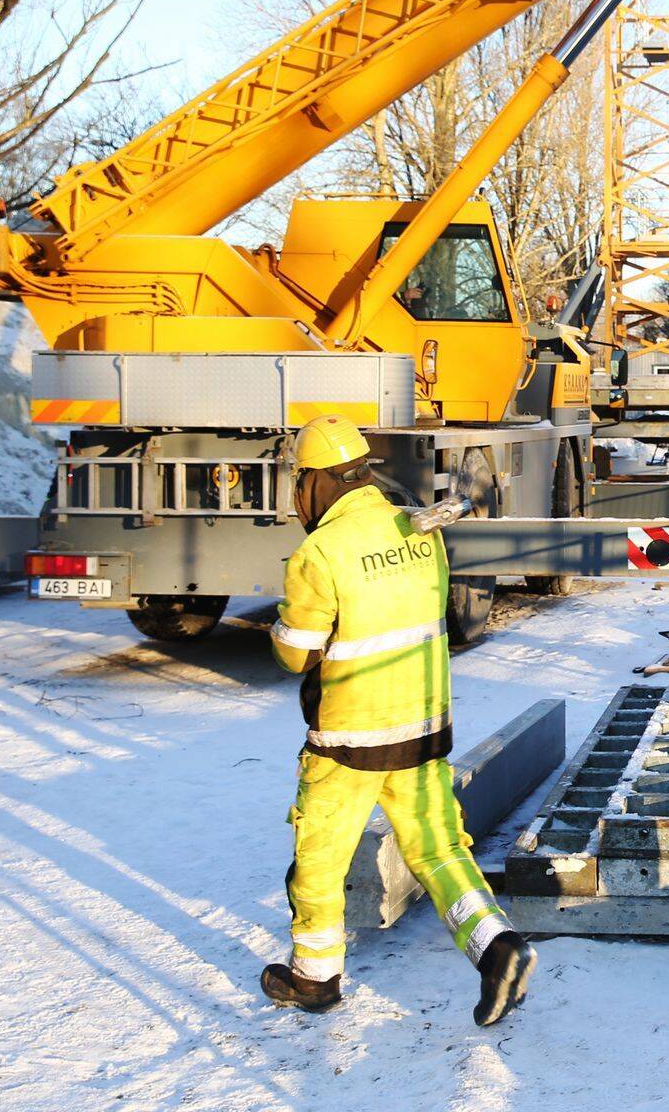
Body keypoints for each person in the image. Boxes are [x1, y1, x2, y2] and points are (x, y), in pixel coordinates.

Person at [263, 414, 534, 1025]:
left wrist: (282, 626)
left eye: (300, 480)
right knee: (439, 850)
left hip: (348, 743)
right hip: (422, 728)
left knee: (320, 861)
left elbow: (295, 652)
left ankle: (315, 977)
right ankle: (497, 948)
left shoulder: (319, 552)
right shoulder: (418, 530)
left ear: (316, 481)